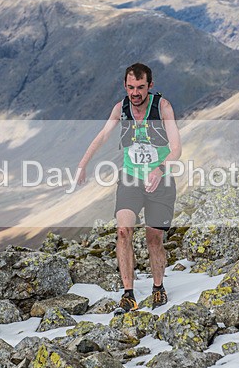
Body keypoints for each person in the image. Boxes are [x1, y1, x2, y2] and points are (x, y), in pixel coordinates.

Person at [77, 63, 182, 312]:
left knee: (153, 239)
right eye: (131, 87)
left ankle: (158, 288)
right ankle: (128, 293)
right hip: (131, 178)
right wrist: (83, 164)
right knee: (123, 231)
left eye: (141, 87)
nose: (135, 93)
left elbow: (176, 148)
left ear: (150, 86)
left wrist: (159, 170)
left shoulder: (163, 107)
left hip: (161, 180)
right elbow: (103, 136)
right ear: (125, 86)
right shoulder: (120, 109)